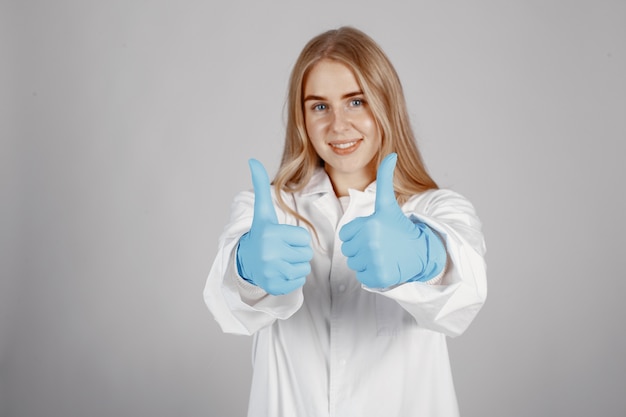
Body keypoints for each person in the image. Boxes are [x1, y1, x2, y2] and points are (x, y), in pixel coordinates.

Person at [204, 26, 487, 417]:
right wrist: (245, 267)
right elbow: (227, 305)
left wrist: (427, 256)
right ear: (302, 118)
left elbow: (465, 296)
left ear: (385, 105)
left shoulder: (438, 209)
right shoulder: (265, 208)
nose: (338, 125)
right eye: (319, 106)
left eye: (356, 102)